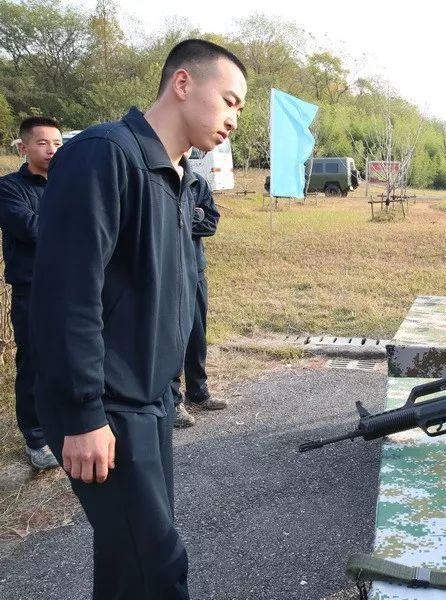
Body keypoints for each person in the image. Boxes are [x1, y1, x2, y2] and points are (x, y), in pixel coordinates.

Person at [29, 39, 246, 599]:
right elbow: (66, 294)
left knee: (128, 563)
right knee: (159, 565)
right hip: (103, 404)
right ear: (182, 84)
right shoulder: (104, 155)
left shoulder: (175, 175)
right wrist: (82, 417)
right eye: (228, 101)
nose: (233, 120)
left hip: (149, 401)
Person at [0, 117, 62, 469]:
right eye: (42, 143)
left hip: (73, 287)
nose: (52, 149)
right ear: (24, 147)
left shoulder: (69, 183)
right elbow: (31, 228)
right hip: (32, 290)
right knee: (34, 363)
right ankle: (36, 439)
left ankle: (69, 423)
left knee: (75, 356)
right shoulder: (9, 188)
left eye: (56, 142)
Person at [172, 173, 226, 428]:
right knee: (170, 338)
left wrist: (180, 221)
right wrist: (191, 217)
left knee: (196, 334)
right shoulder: (155, 178)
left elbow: (211, 222)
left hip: (194, 269)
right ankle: (171, 401)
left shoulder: (197, 182)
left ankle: (198, 392)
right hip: (164, 273)